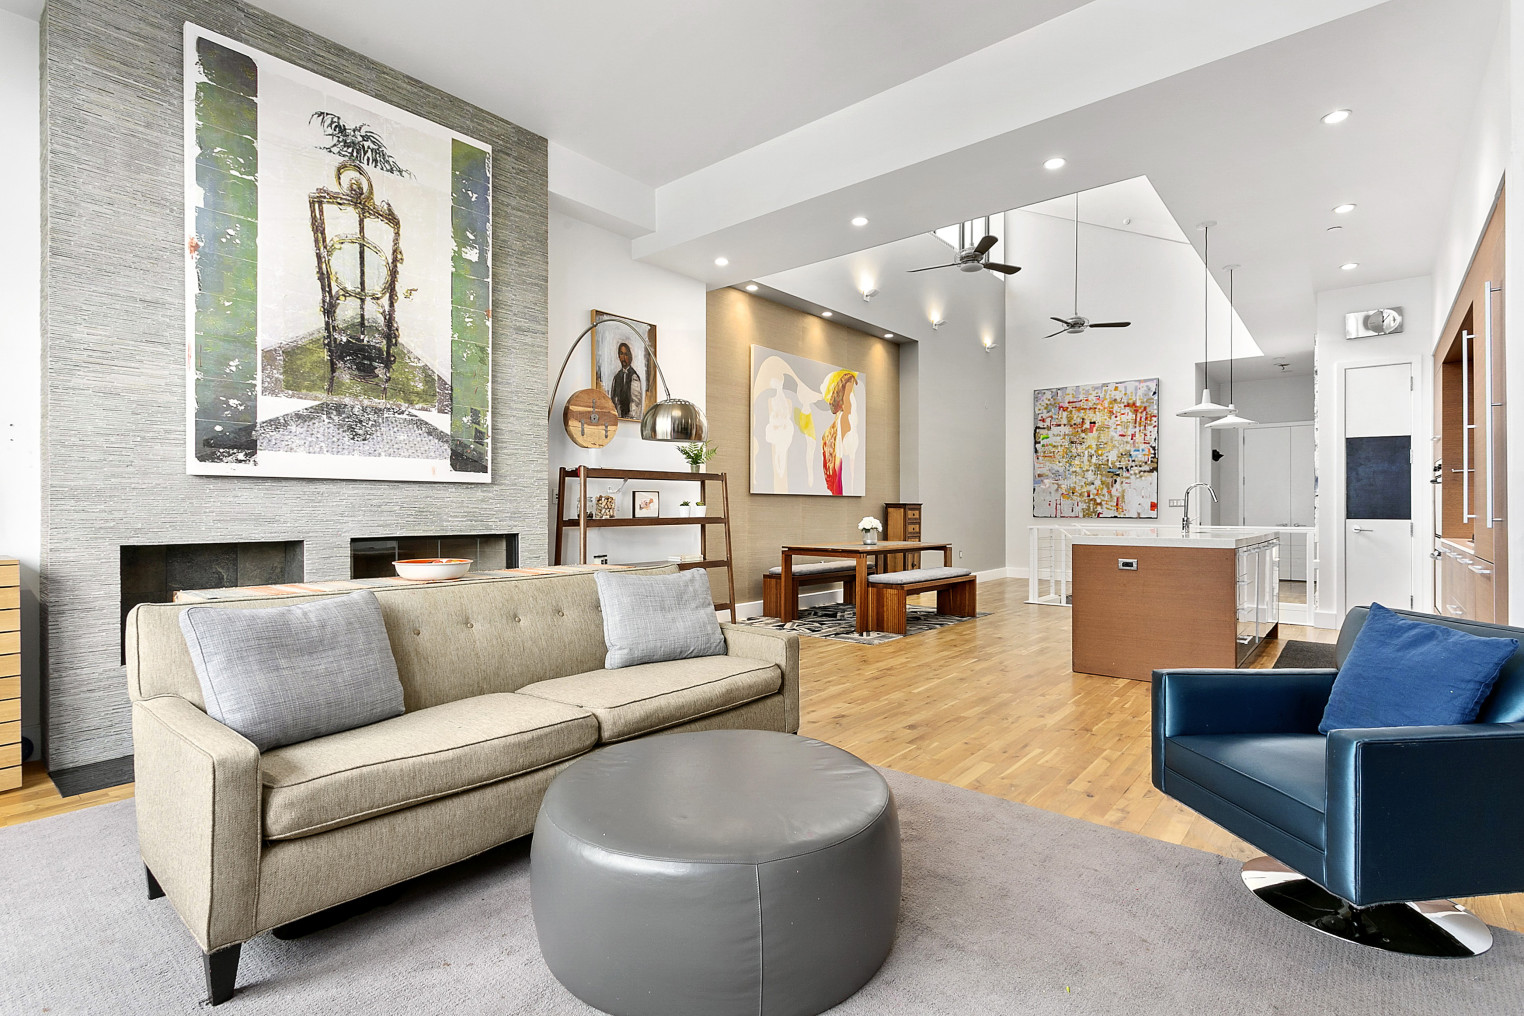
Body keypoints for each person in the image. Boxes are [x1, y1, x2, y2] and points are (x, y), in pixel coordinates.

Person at [820, 369, 858, 496]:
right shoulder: (843, 423)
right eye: (849, 396)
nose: (853, 401)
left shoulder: (840, 425)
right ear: (841, 401)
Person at [609, 340, 644, 420]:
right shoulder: (617, 377)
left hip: (630, 420)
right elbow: (614, 400)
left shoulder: (634, 377)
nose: (624, 358)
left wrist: (630, 419)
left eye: (626, 354)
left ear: (630, 356)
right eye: (621, 354)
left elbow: (636, 403)